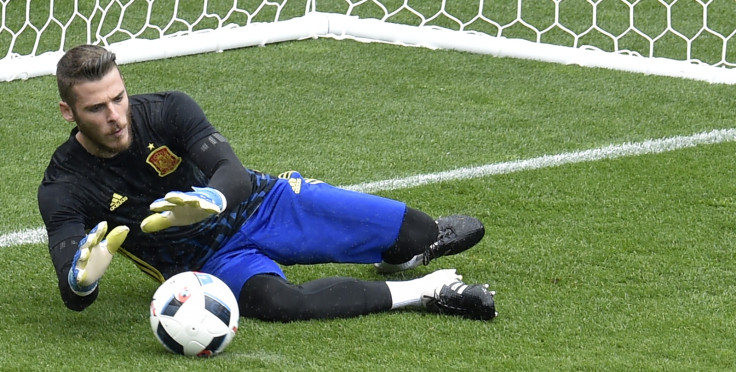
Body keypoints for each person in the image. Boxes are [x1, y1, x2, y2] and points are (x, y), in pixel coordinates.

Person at [38, 44, 497, 322]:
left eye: (118, 98)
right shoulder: (63, 185)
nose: (116, 116)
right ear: (68, 112)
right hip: (208, 261)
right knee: (280, 303)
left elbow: (232, 172)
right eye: (97, 108)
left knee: (418, 233)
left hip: (263, 203)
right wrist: (83, 283)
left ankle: (403, 254)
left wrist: (211, 200)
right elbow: (71, 289)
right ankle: (426, 290)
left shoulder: (167, 109)